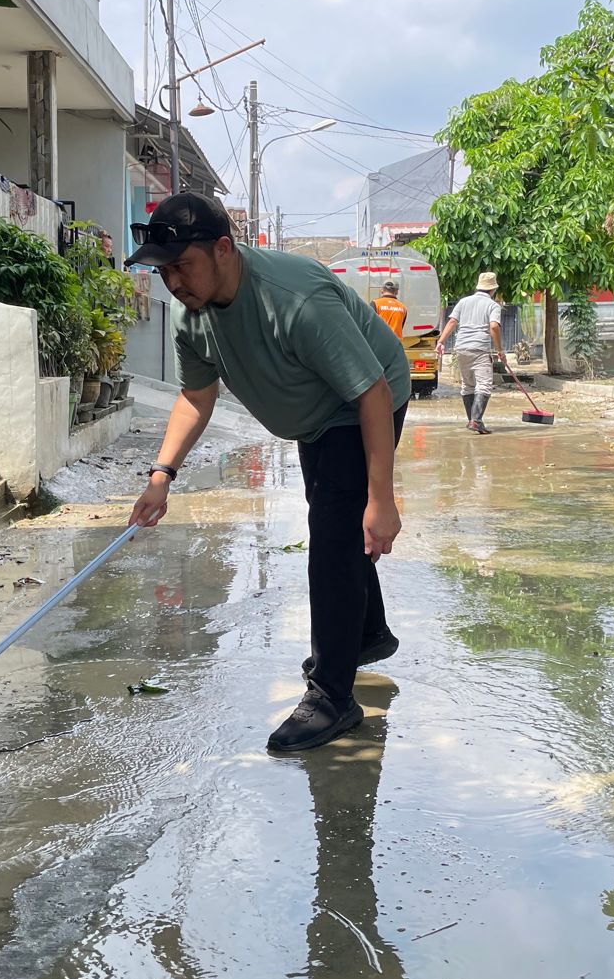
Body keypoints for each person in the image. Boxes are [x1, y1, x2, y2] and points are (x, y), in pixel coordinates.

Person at [126, 192, 411, 752]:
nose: (174, 283)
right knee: (335, 519)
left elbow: (371, 390)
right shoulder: (194, 316)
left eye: (183, 266)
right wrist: (163, 474)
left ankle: (333, 696)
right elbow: (194, 396)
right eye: (164, 271)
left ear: (224, 250)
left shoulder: (295, 300)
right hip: (314, 415)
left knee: (334, 536)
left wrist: (382, 500)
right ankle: (367, 632)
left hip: (362, 401)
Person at [437, 271, 504, 434]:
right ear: (493, 290)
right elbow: (494, 326)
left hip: (461, 348)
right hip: (479, 349)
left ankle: (472, 420)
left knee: (467, 386)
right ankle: (476, 421)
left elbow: (452, 321)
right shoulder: (493, 305)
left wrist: (440, 341)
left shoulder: (463, 301)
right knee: (484, 385)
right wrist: (500, 350)